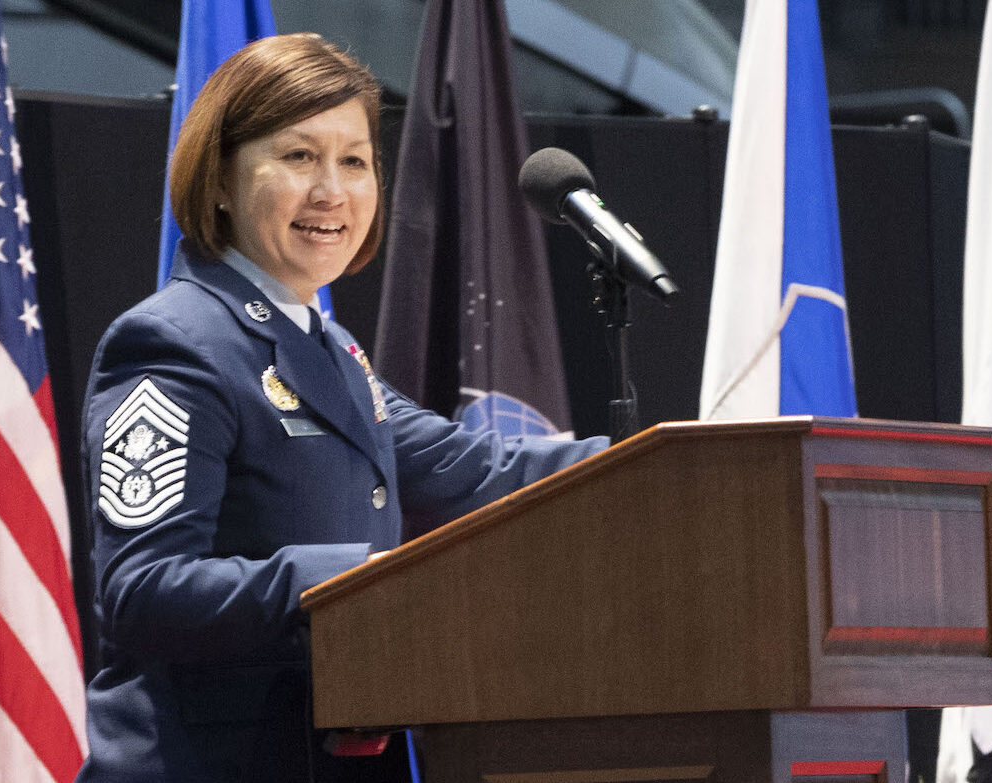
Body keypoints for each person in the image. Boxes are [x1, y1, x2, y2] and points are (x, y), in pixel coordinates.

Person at [75, 33, 607, 783]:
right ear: (221, 177)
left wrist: (668, 453)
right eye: (298, 157)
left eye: (354, 161)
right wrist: (354, 580)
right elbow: (143, 589)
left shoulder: (329, 348)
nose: (332, 191)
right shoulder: (172, 342)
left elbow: (477, 468)